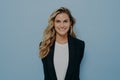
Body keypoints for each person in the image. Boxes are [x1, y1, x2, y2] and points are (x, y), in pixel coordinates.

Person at [39, 7, 85, 80]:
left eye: (65, 21)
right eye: (58, 21)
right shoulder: (44, 45)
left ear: (70, 23)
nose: (62, 25)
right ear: (53, 23)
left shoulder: (79, 46)